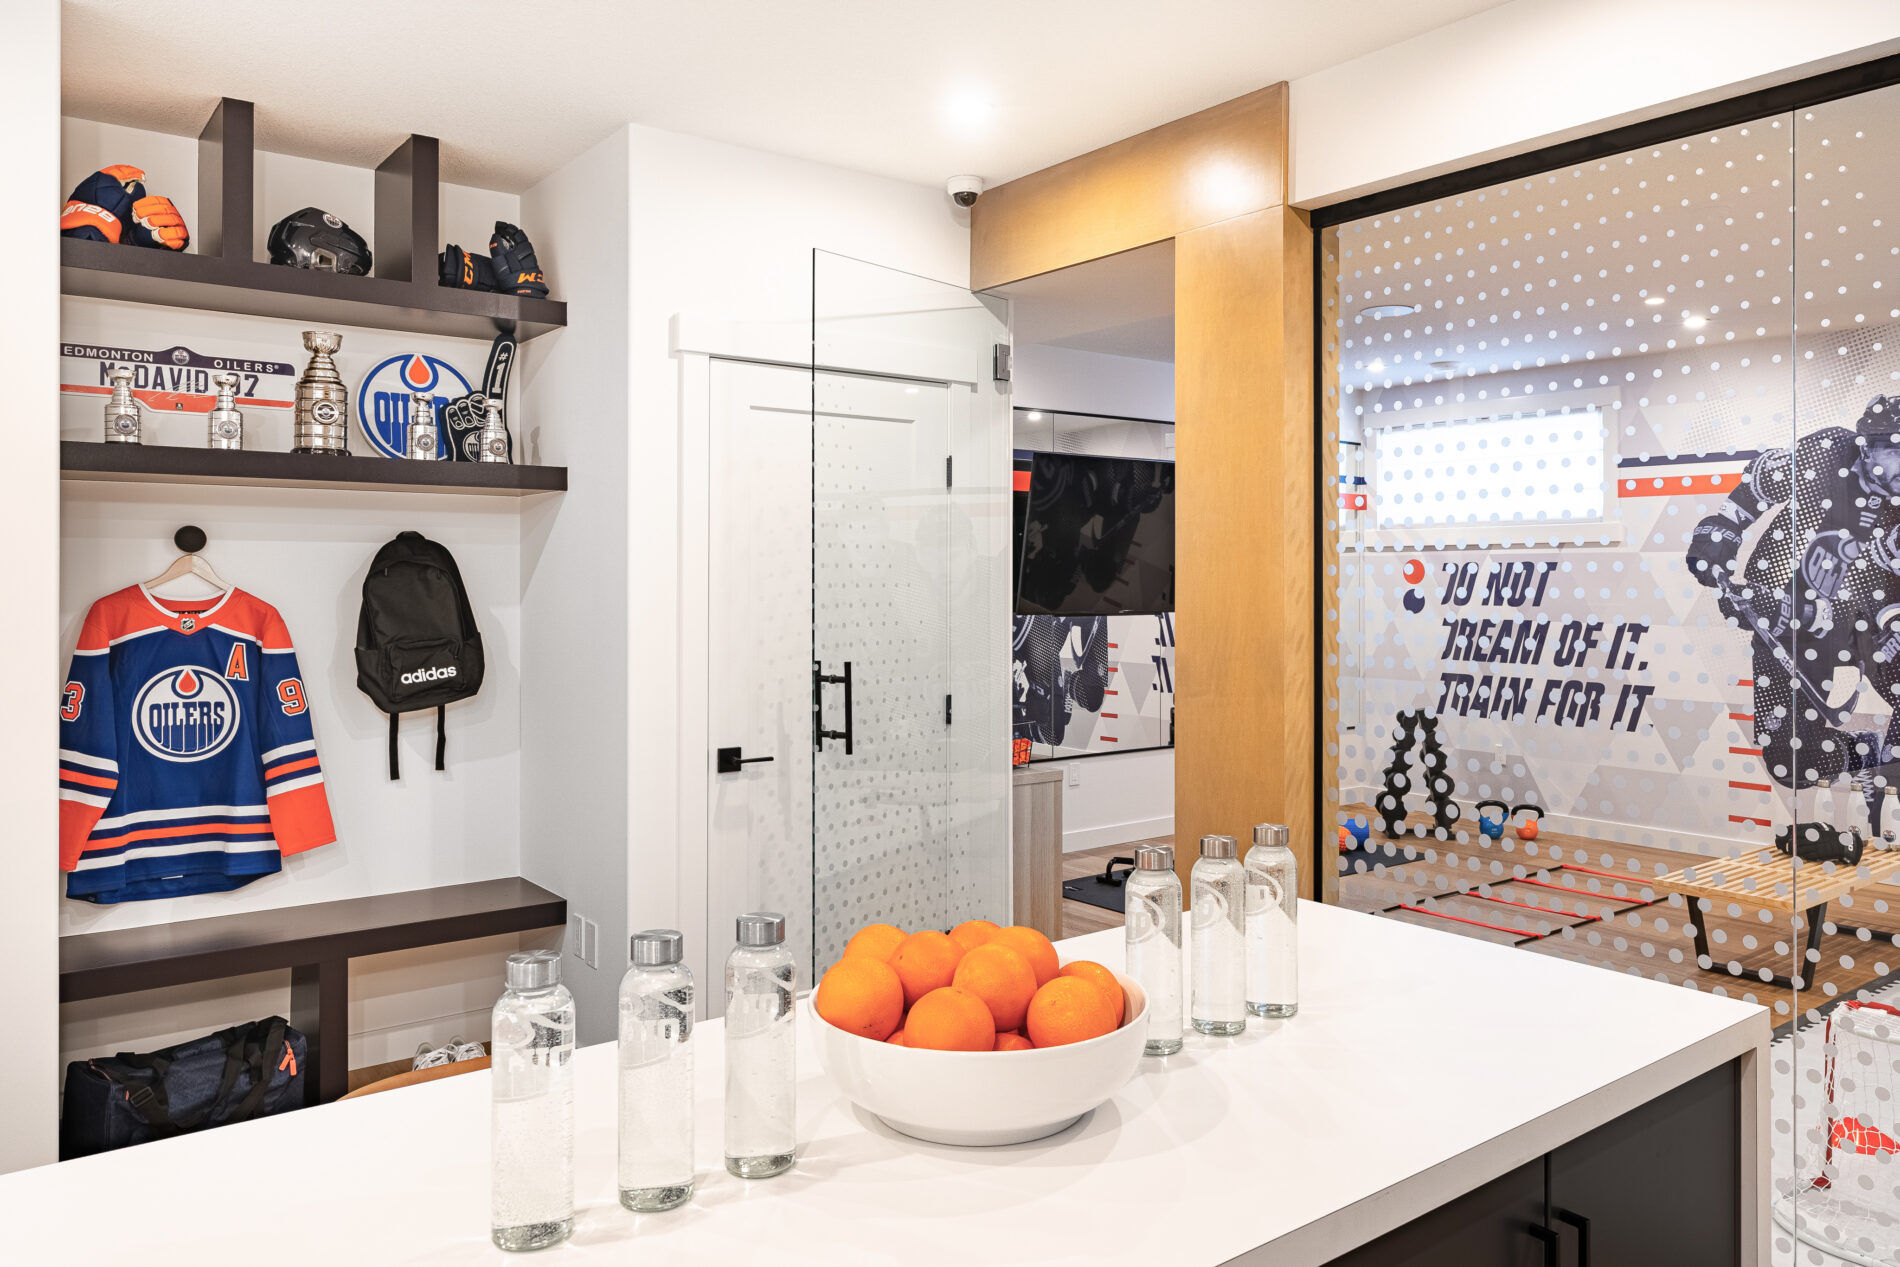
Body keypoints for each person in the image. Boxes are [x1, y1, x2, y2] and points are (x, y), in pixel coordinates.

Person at [1686, 395, 1900, 832]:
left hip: (1870, 622)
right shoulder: (1826, 454)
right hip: (1787, 618)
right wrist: (1720, 530)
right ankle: (1857, 751)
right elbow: (1753, 490)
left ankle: (1891, 777)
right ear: (1865, 445)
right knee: (1790, 763)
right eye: (1897, 451)